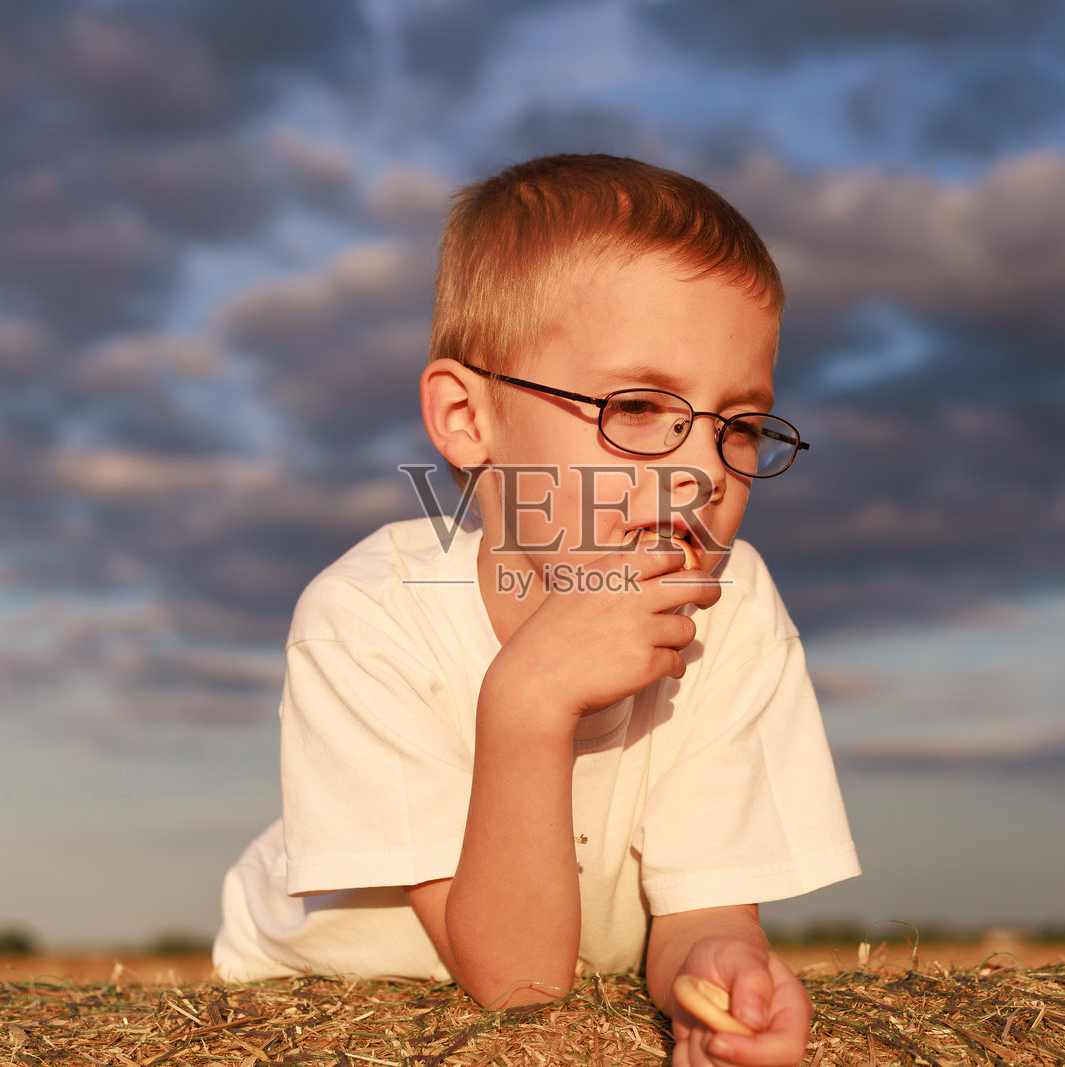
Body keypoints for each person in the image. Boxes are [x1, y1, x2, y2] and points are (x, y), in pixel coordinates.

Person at [214, 153, 860, 1067]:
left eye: (741, 424)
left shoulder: (735, 607)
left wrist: (721, 978)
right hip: (313, 1007)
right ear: (468, 420)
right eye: (638, 407)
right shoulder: (364, 621)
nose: (709, 470)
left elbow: (702, 906)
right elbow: (518, 984)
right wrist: (526, 700)